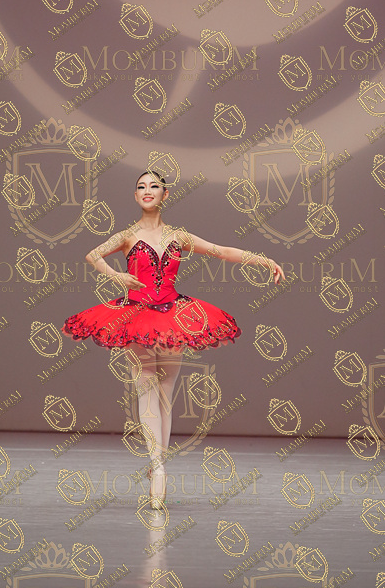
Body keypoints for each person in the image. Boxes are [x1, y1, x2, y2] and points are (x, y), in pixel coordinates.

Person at [62, 171, 285, 508]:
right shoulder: (127, 235)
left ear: (165, 195)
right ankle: (158, 467)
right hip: (135, 316)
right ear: (135, 195)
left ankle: (158, 464)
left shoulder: (178, 236)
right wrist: (117, 275)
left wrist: (264, 260)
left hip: (173, 317)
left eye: (154, 186)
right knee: (146, 384)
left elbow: (222, 251)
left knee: (165, 393)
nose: (147, 191)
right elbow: (93, 255)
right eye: (141, 186)